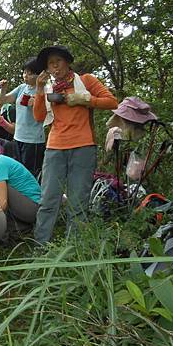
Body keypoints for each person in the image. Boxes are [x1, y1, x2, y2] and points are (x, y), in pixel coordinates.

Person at [32, 45, 118, 243]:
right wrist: (38, 89)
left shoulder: (86, 81)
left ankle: (74, 248)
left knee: (78, 201)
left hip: (83, 146)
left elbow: (112, 102)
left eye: (58, 62)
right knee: (48, 199)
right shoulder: (49, 89)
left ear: (67, 62)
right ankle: (40, 246)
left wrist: (84, 99)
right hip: (54, 147)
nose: (55, 67)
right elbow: (39, 116)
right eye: (50, 65)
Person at [0, 57, 46, 177]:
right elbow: (3, 100)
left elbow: (45, 114)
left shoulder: (44, 90)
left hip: (33, 140)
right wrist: (3, 89)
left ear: (39, 75)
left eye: (30, 73)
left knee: (31, 174)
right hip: (18, 137)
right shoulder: (22, 88)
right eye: (24, 72)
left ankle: (34, 195)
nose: (25, 76)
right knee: (19, 172)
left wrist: (36, 103)